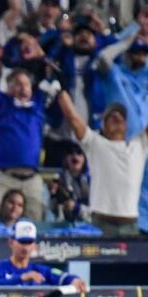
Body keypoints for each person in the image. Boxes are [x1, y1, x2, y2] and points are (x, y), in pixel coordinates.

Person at [57, 91, 148, 236]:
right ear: (103, 126)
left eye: (121, 116)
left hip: (131, 225)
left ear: (126, 126)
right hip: (102, 224)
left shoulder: (139, 145)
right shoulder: (94, 143)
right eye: (111, 116)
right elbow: (72, 117)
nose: (117, 117)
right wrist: (60, 90)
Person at [0, 39, 47, 221]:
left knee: (36, 220)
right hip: (3, 175)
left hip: (32, 177)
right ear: (8, 88)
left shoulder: (37, 106)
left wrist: (41, 56)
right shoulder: (0, 104)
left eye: (26, 84)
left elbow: (52, 74)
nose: (23, 87)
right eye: (17, 83)